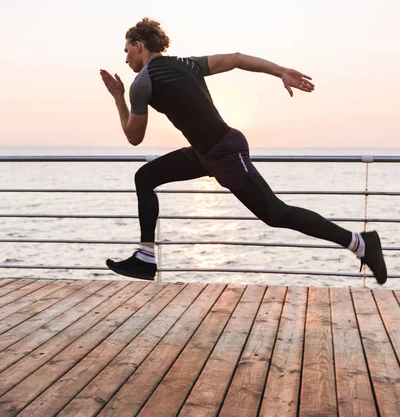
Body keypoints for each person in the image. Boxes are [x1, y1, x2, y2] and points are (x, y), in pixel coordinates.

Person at [100, 17, 387, 284]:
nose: (125, 59)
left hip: (223, 151)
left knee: (276, 214)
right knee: (146, 177)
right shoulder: (188, 64)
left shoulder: (142, 83)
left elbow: (134, 137)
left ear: (139, 45)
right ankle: (146, 258)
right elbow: (235, 59)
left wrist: (118, 99)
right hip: (205, 153)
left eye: (127, 51)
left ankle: (360, 243)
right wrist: (280, 71)